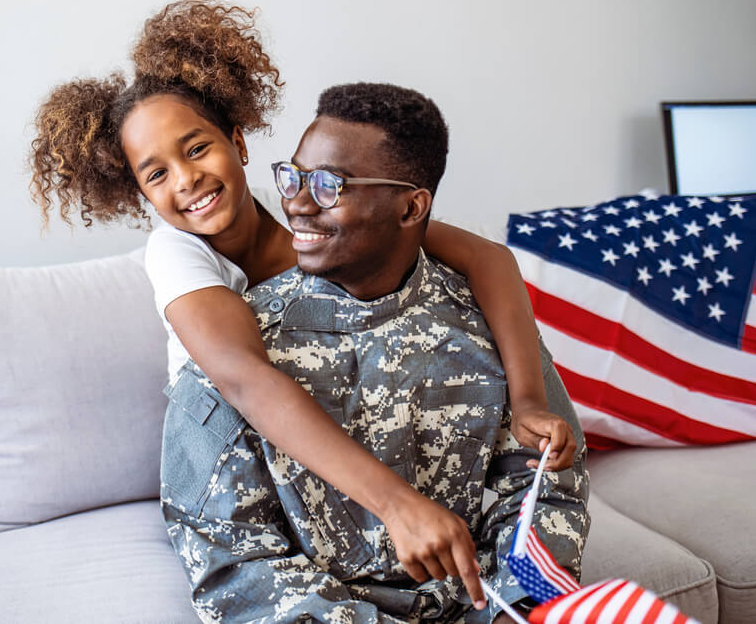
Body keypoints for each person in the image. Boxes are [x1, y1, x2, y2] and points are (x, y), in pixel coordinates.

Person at [28, 0, 578, 609]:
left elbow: (488, 258)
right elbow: (246, 381)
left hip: (341, 431)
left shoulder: (300, 203)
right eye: (155, 174)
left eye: (196, 149)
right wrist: (398, 503)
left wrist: (527, 400)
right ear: (137, 191)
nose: (185, 179)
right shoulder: (177, 254)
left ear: (238, 142)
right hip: (242, 448)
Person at [162, 81, 589, 622]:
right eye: (292, 177)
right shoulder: (235, 346)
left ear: (412, 207)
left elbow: (544, 492)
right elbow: (230, 560)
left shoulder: (488, 324)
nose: (294, 202)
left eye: (328, 185)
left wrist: (515, 610)